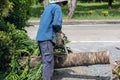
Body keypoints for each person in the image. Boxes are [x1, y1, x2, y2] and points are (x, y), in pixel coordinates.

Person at [36, 0, 68, 80]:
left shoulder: (48, 7)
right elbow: (56, 23)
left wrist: (59, 31)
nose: (62, 5)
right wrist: (58, 30)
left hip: (41, 37)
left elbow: (48, 22)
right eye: (63, 3)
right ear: (60, 2)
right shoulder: (57, 8)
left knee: (45, 61)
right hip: (47, 38)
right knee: (49, 62)